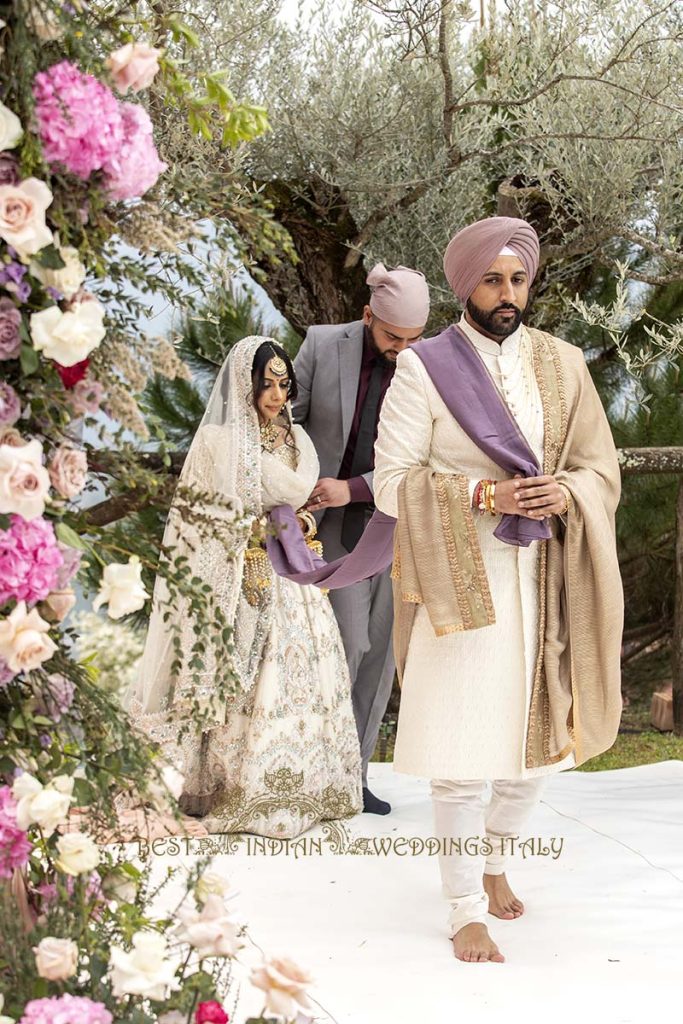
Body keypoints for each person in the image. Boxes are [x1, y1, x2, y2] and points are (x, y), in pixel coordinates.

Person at [372, 217, 623, 962]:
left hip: (544, 579)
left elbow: (598, 468)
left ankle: (492, 863)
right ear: (464, 285)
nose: (506, 294)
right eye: (491, 279)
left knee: (537, 750)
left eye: (517, 279)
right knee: (458, 757)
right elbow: (390, 485)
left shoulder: (562, 362)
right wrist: (489, 499)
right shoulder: (423, 368)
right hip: (460, 586)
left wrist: (564, 494)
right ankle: (459, 908)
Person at [126, 336, 362, 839]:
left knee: (304, 674)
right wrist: (251, 530)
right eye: (266, 384)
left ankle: (306, 785)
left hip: (295, 576)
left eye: (284, 383)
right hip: (240, 574)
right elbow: (199, 516)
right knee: (244, 673)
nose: (277, 395)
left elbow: (303, 502)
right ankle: (233, 786)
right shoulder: (219, 443)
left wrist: (297, 524)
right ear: (244, 385)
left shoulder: (299, 440)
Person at [292, 265, 430, 815]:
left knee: (381, 656)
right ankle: (313, 773)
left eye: (413, 339)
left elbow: (427, 455)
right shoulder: (322, 345)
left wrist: (353, 488)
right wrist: (299, 488)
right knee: (346, 647)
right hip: (327, 533)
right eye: (393, 337)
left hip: (398, 527)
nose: (402, 350)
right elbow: (285, 424)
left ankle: (354, 777)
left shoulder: (428, 363)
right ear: (368, 315)